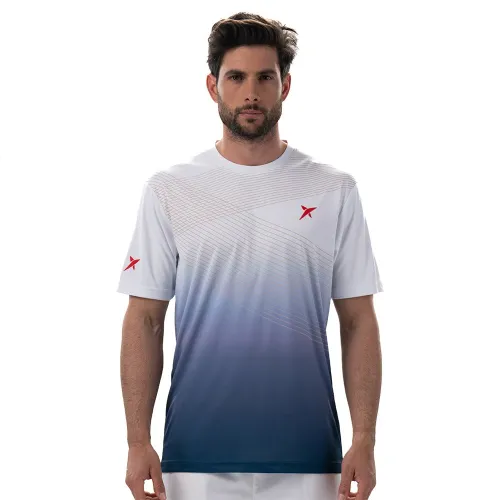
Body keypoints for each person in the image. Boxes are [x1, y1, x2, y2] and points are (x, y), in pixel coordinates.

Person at [117, 11, 383, 500]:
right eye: (236, 77)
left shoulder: (334, 190)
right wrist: (137, 441)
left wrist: (364, 439)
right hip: (194, 459)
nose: (251, 93)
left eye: (265, 78)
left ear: (285, 86)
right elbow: (145, 318)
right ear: (212, 86)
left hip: (310, 460)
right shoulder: (169, 190)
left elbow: (358, 320)